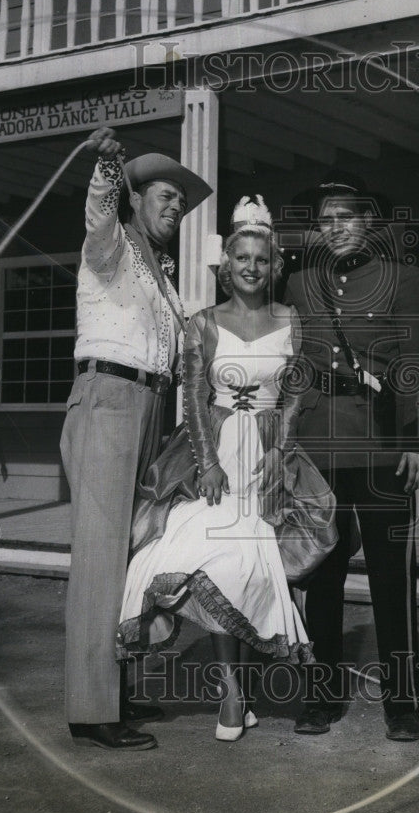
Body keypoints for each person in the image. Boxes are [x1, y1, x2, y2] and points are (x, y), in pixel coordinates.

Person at [116, 196, 337, 741]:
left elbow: (294, 393)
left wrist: (278, 452)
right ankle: (232, 692)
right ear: (226, 266)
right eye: (241, 258)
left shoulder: (291, 320)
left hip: (267, 456)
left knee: (247, 564)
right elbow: (191, 396)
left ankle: (248, 686)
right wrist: (207, 463)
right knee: (202, 555)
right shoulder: (203, 323)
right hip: (210, 453)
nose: (251, 268)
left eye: (261, 260)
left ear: (273, 265)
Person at [60, 127, 212, 751]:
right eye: (164, 196)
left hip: (150, 408)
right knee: (100, 558)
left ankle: (118, 690)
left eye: (180, 201)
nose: (174, 207)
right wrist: (105, 170)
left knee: (133, 556)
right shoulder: (114, 245)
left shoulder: (164, 276)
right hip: (108, 400)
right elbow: (97, 213)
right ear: (136, 198)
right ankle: (91, 710)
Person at [282, 171, 419, 742]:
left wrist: (418, 443)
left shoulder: (403, 279)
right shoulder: (301, 284)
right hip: (320, 447)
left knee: (390, 579)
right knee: (320, 577)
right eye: (326, 221)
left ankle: (402, 703)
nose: (335, 228)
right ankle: (323, 696)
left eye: (346, 217)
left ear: (369, 222)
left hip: (382, 446)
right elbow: (296, 365)